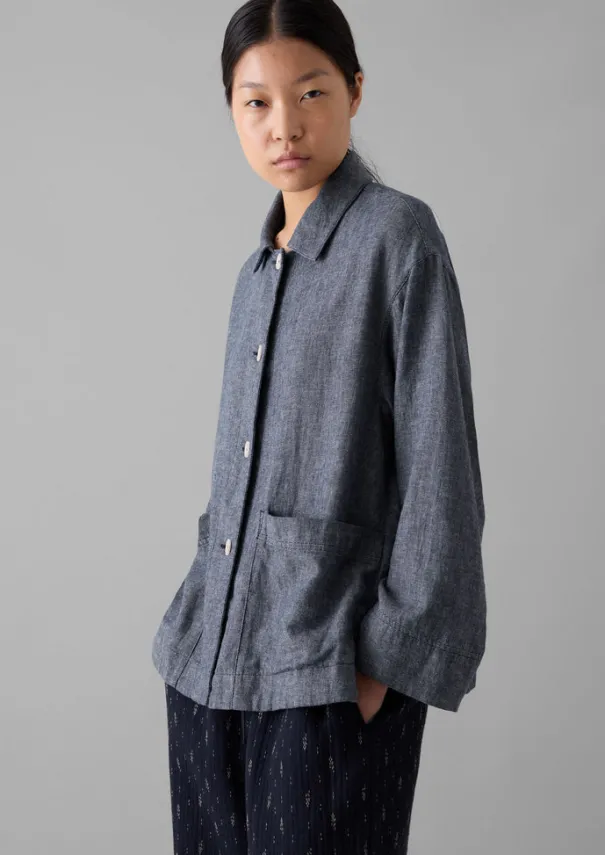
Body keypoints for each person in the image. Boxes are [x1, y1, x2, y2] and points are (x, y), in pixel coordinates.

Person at [151, 1, 487, 852]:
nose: (284, 125)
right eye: (256, 102)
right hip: (207, 668)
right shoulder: (254, 274)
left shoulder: (397, 237)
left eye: (310, 92)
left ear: (354, 91)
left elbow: (441, 470)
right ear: (231, 110)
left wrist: (383, 666)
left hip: (328, 677)